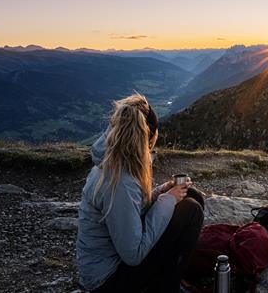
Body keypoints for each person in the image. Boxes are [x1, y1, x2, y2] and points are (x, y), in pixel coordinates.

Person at [76, 94, 204, 293]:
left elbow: (131, 210)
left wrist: (162, 191)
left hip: (115, 266)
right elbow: (133, 254)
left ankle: (168, 277)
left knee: (192, 195)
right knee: (191, 210)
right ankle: (166, 287)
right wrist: (167, 199)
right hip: (107, 281)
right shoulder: (118, 181)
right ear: (146, 138)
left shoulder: (118, 165)